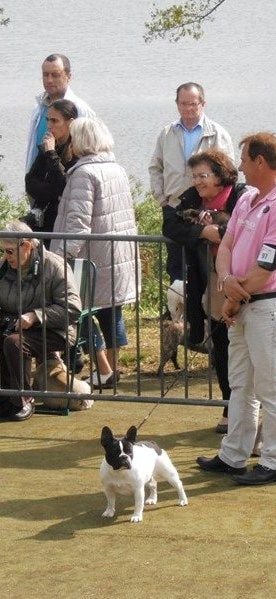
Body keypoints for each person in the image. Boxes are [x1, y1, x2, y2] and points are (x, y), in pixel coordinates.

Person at [197, 132, 276, 485]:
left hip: (267, 307)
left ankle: (275, 462)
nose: (239, 166)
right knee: (241, 383)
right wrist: (226, 278)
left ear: (260, 161)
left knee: (271, 387)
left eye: (244, 159)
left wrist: (232, 296)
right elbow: (227, 242)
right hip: (244, 305)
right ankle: (233, 455)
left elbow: (268, 266)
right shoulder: (248, 199)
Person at [50, 117, 139, 389]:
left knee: (79, 311)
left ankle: (103, 367)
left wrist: (59, 256)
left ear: (81, 142)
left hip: (91, 258)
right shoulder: (117, 169)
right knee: (112, 313)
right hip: (118, 253)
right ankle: (112, 369)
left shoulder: (83, 174)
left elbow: (78, 222)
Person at [163, 149, 247, 431]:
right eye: (194, 176)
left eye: (203, 176)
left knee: (245, 349)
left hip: (241, 279)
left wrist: (220, 231)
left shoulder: (241, 195)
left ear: (220, 174)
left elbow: (250, 230)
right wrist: (201, 233)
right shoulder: (190, 197)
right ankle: (228, 407)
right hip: (208, 281)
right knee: (221, 347)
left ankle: (249, 412)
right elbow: (170, 224)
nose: (197, 181)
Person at [149, 82, 234, 284]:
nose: (188, 108)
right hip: (175, 206)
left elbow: (230, 172)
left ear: (203, 103)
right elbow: (155, 167)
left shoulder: (217, 133)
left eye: (193, 104)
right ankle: (177, 307)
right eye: (183, 103)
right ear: (176, 104)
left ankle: (207, 308)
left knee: (205, 262)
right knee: (175, 261)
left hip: (207, 208)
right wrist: (162, 198)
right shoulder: (167, 133)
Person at [0, 221, 81, 421]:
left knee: (14, 343)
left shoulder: (54, 266)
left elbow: (73, 308)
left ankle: (24, 400)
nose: (5, 257)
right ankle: (5, 398)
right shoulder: (4, 267)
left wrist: (35, 315)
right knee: (9, 339)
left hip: (56, 330)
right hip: (16, 326)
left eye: (9, 251)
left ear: (27, 245)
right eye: (3, 251)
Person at [26, 53, 94, 171]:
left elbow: (90, 154)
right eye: (45, 75)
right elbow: (33, 151)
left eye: (55, 75)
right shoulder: (39, 108)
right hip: (40, 181)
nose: (49, 80)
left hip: (69, 182)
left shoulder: (80, 109)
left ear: (68, 76)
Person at [24, 99, 78, 242]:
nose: (49, 125)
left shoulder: (77, 150)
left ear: (70, 122)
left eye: (54, 121)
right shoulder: (48, 146)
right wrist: (50, 192)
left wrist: (51, 154)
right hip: (42, 218)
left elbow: (64, 186)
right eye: (48, 120)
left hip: (61, 224)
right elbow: (29, 181)